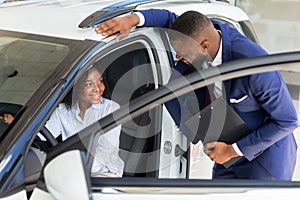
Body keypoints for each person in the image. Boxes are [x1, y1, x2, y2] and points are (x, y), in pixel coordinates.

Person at [94, 10, 298, 180]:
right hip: (222, 154)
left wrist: (233, 150)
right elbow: (173, 20)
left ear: (204, 46)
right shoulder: (199, 31)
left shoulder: (254, 66)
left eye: (184, 53)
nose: (179, 58)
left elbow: (287, 121)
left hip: (263, 163)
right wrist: (135, 18)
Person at [45, 66, 124, 177]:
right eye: (89, 84)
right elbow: (43, 136)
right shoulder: (63, 111)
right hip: (72, 170)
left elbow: (103, 156)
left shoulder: (111, 109)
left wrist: (66, 167)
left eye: (100, 82)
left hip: (104, 174)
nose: (97, 89)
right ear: (76, 87)